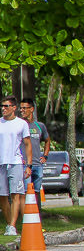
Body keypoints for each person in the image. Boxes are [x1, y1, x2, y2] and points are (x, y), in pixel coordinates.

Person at [0, 96, 32, 236]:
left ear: (13, 108)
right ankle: (9, 224)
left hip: (16, 162)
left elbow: (27, 144)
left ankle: (13, 225)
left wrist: (29, 164)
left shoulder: (22, 124)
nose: (3, 109)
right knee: (2, 196)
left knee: (16, 195)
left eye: (6, 106)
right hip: (1, 163)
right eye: (2, 106)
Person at [19, 98, 49, 208]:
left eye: (24, 108)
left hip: (38, 164)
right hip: (25, 165)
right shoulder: (20, 125)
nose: (22, 110)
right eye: (20, 108)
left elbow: (47, 140)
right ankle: (26, 216)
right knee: (26, 192)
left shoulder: (39, 126)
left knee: (36, 192)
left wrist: (45, 155)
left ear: (31, 109)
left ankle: (36, 216)